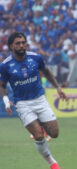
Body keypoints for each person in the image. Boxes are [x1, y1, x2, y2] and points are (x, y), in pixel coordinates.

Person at [0, 32, 67, 169]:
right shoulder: (5, 65)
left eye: (23, 42)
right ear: (11, 46)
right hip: (22, 104)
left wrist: (58, 87)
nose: (21, 45)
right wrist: (7, 100)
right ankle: (52, 163)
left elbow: (46, 72)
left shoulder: (36, 58)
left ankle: (41, 126)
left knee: (54, 134)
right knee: (38, 135)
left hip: (40, 100)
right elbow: (2, 85)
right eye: (18, 43)